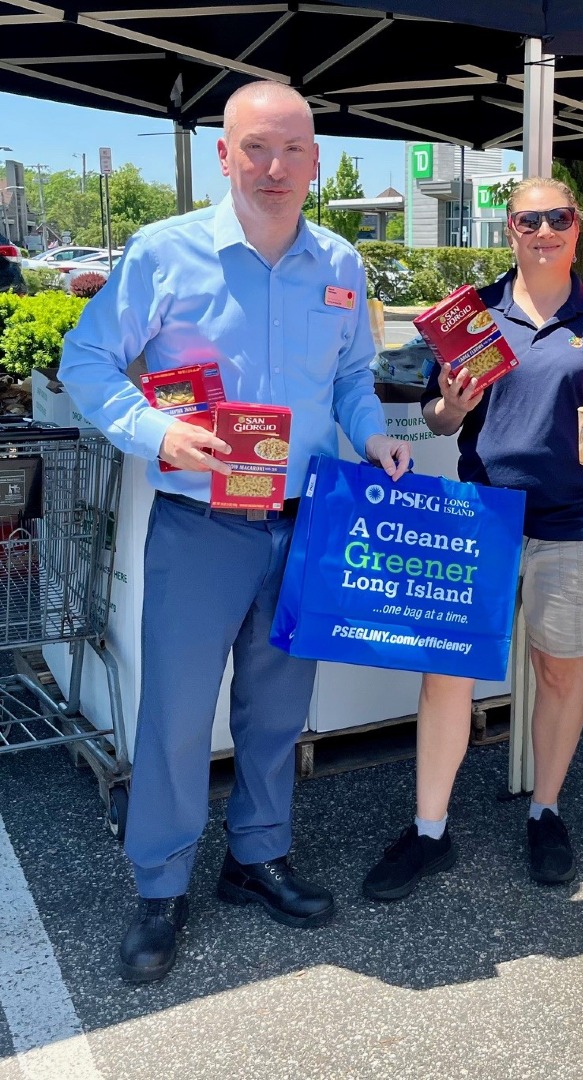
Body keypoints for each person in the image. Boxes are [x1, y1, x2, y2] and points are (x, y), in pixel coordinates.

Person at [58, 80, 410, 984]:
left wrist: (372, 432)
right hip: (200, 525)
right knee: (176, 715)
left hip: (303, 523)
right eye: (256, 147)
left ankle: (256, 857)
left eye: (294, 149)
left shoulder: (340, 265)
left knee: (277, 710)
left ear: (317, 161)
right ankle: (160, 886)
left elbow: (353, 378)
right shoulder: (165, 252)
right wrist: (156, 430)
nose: (275, 166)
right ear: (225, 155)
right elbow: (88, 359)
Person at [362, 176, 583, 900]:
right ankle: (429, 829)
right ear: (507, 230)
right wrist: (451, 404)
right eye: (527, 220)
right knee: (447, 674)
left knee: (559, 671)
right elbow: (437, 421)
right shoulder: (472, 315)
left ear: (578, 228)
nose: (543, 230)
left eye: (558, 218)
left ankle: (546, 812)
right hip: (478, 517)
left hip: (577, 520)